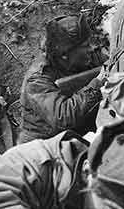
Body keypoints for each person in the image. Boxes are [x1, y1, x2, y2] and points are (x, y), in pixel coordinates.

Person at [19, 14, 104, 143]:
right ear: (65, 54)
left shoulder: (84, 58)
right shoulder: (37, 79)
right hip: (43, 144)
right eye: (85, 45)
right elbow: (62, 117)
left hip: (76, 134)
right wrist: (96, 85)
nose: (91, 49)